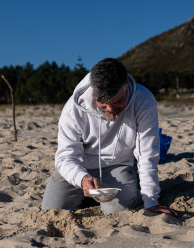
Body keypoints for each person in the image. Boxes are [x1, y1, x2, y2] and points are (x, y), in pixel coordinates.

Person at [42, 58, 180, 217]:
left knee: (116, 212)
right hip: (80, 166)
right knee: (51, 211)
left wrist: (151, 201)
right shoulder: (73, 109)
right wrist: (81, 178)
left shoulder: (144, 100)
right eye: (103, 103)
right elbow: (65, 157)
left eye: (118, 101)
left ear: (127, 87)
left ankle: (130, 186)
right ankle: (86, 193)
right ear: (94, 93)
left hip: (118, 164)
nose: (111, 109)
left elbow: (147, 154)